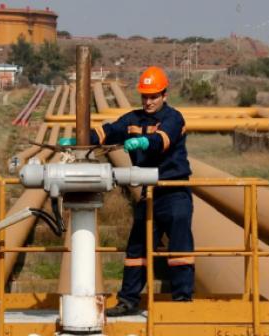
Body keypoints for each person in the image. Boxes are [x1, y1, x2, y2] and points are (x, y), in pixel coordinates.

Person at [90, 66, 194, 316]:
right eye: (145, 96)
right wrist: (82, 137)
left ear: (164, 95)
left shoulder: (174, 118)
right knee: (137, 249)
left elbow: (163, 140)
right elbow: (109, 131)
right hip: (149, 194)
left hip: (174, 191)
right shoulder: (132, 119)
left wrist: (144, 142)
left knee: (179, 248)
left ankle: (182, 301)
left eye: (153, 96)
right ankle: (128, 301)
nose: (148, 102)